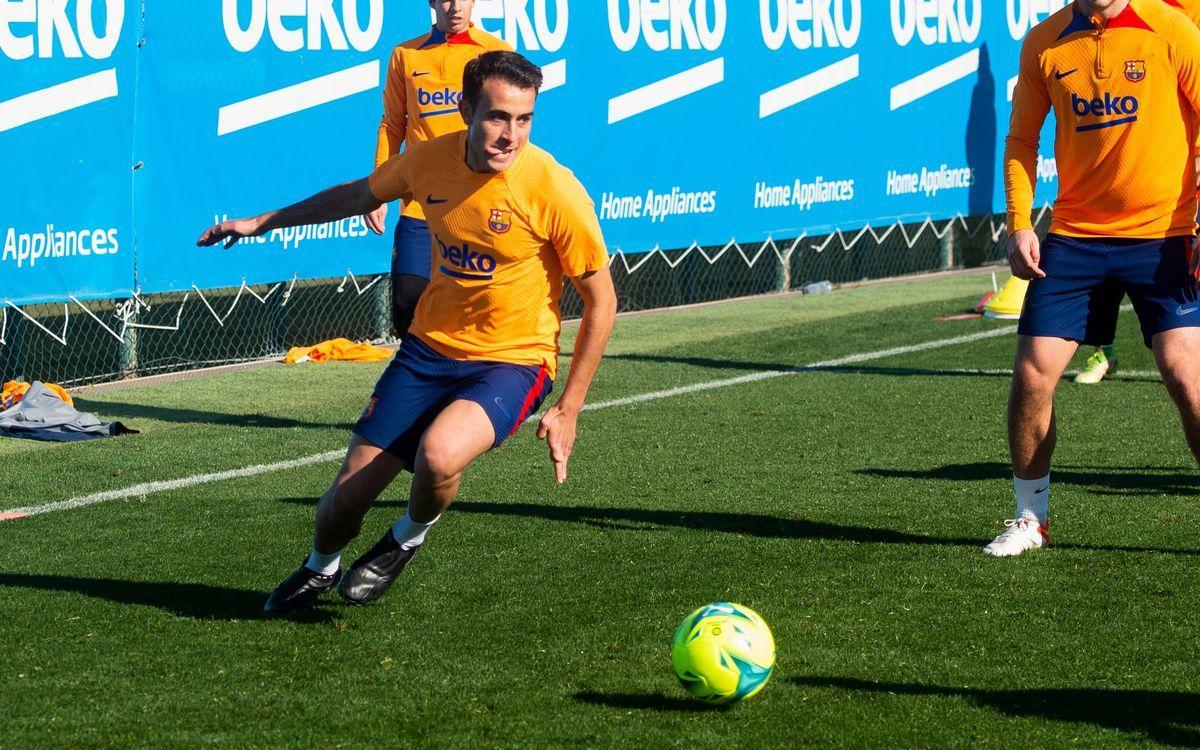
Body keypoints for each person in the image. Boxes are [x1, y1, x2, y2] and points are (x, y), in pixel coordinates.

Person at [198, 52, 617, 610]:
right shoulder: (427, 161)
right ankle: (321, 569)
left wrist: (569, 407)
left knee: (439, 455)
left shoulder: (555, 190)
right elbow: (355, 195)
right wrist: (259, 222)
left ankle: (405, 538)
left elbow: (602, 302)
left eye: (524, 119)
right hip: (426, 352)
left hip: (514, 360)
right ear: (465, 109)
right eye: (496, 116)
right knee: (340, 504)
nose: (509, 135)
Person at [986, 0, 1200, 556]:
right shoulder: (1045, 42)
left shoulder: (1171, 28)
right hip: (1076, 239)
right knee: (1033, 377)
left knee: (1186, 378)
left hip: (1166, 237)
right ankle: (1030, 518)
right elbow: (1021, 141)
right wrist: (1019, 226)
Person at [363, 0, 510, 338]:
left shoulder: (496, 52)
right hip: (420, 204)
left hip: (478, 201)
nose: (455, 6)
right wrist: (378, 189)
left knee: (478, 307)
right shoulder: (406, 54)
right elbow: (392, 125)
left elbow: (509, 126)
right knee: (406, 304)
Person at [1072, 0, 1200, 384]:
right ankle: (1102, 349)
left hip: (1178, 148)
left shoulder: (1183, 12)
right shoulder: (1101, 9)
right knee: (1104, 257)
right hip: (1114, 161)